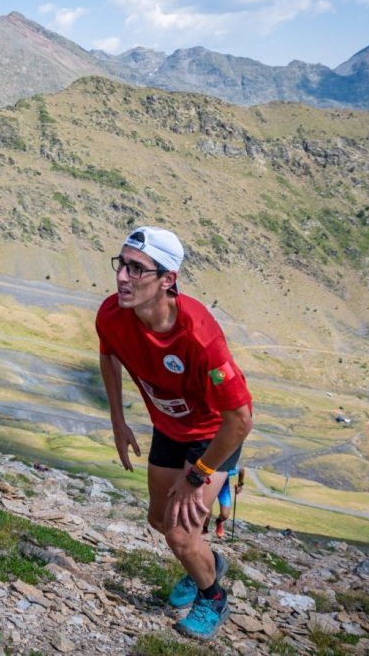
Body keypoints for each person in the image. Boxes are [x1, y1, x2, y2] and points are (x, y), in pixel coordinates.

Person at [96, 226, 253, 640]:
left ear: (168, 280)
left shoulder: (200, 336)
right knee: (157, 518)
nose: (122, 278)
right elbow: (108, 355)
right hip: (170, 429)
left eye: (137, 269)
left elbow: (239, 420)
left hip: (213, 435)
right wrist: (118, 419)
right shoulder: (112, 314)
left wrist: (197, 475)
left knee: (180, 534)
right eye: (121, 265)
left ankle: (212, 597)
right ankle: (208, 560)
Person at [202, 466, 245, 538]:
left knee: (225, 515)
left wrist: (240, 485)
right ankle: (204, 530)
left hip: (223, 487)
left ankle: (219, 521)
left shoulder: (231, 468)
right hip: (208, 484)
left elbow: (242, 470)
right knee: (207, 511)